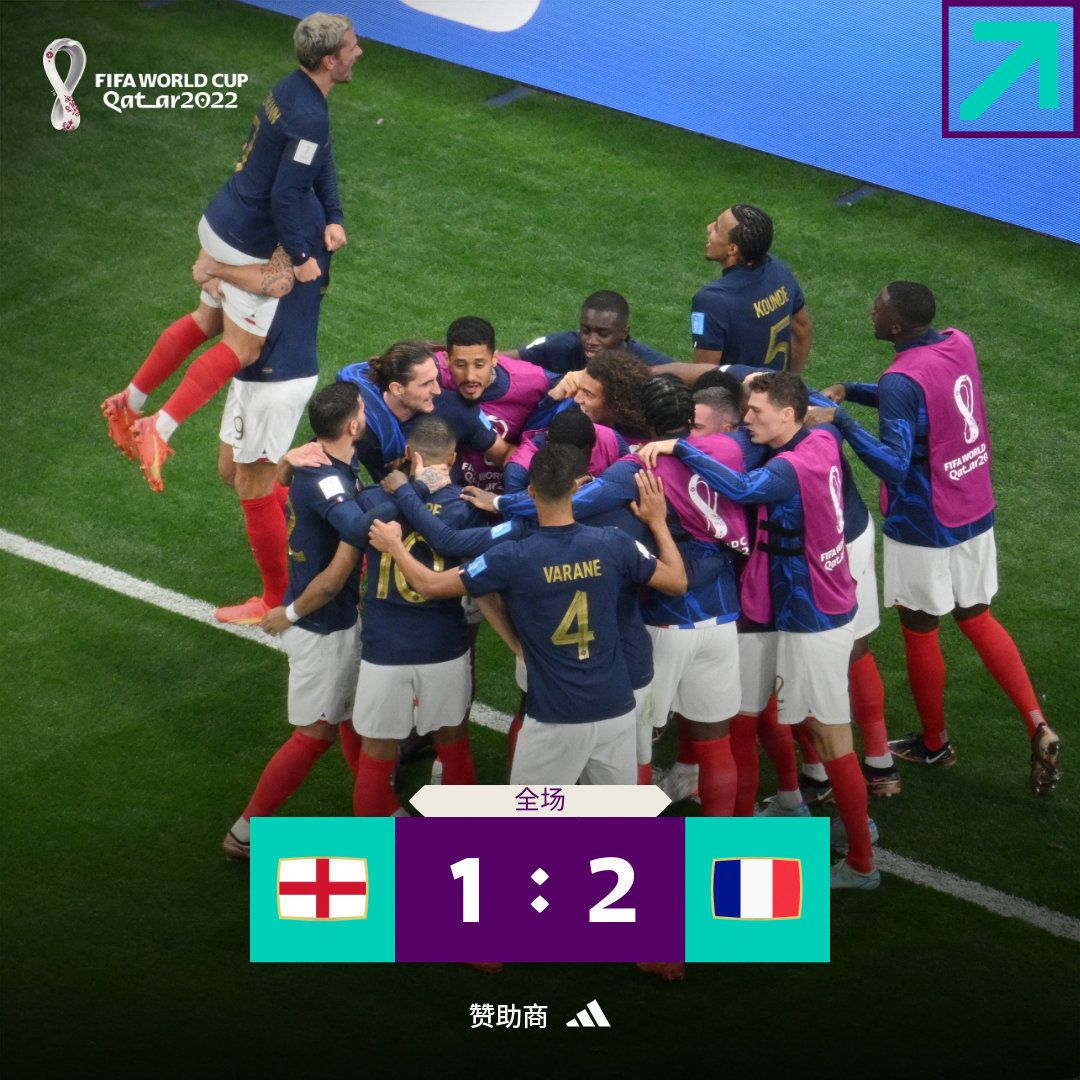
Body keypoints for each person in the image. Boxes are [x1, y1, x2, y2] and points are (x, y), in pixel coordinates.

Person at [813, 281, 1061, 794]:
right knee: (976, 616)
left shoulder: (901, 379)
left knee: (920, 628)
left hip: (924, 522)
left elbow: (894, 465)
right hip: (974, 504)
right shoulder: (957, 341)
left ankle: (935, 742)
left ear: (896, 326)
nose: (871, 311)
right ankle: (1037, 722)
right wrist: (852, 389)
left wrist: (842, 421)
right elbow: (921, 399)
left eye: (878, 307)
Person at [638, 372, 879, 889]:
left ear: (788, 415)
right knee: (746, 723)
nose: (746, 421)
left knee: (830, 736)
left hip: (816, 619)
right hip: (789, 606)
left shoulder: (793, 465)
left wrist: (682, 447)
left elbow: (743, 488)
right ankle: (752, 838)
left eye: (756, 412)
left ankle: (862, 862)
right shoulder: (820, 437)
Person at [102, 13, 360, 492]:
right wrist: (300, 256)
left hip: (221, 216)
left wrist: (335, 214)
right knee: (243, 345)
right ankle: (159, 429)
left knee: (206, 320)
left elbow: (319, 156)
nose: (358, 51)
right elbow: (285, 196)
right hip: (245, 240)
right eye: (351, 46)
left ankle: (129, 402)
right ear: (329, 60)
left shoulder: (292, 89)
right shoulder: (309, 116)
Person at [369, 444, 687, 785]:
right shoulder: (614, 543)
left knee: (532, 817)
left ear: (531, 492)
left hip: (553, 717)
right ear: (576, 487)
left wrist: (395, 547)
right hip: (616, 710)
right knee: (613, 817)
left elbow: (429, 585)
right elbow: (677, 581)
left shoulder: (510, 557)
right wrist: (658, 523)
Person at [221, 381, 366, 860]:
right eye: (363, 410)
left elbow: (284, 482)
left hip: (331, 621)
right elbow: (347, 547)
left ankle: (377, 807)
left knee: (353, 718)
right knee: (314, 735)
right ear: (352, 425)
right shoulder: (329, 482)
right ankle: (246, 831)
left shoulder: (314, 459)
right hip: (320, 628)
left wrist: (284, 462)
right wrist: (288, 614)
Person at [194, 195, 333, 625]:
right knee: (231, 472)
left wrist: (216, 270)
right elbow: (215, 258)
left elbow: (274, 281)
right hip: (252, 367)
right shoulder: (276, 208)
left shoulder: (295, 219)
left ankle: (276, 598)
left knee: (252, 485)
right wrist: (213, 271)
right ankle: (332, 537)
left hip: (278, 372)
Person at [349, 416, 488, 816]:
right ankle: (460, 838)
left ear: (410, 455)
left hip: (384, 648)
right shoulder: (467, 506)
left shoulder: (374, 499)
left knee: (376, 752)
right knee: (453, 741)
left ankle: (377, 845)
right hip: (443, 646)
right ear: (453, 459)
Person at [337, 341, 501, 481]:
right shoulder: (362, 428)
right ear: (397, 389)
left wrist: (498, 501)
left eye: (435, 379)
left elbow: (504, 453)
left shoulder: (456, 409)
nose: (437, 390)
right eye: (426, 384)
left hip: (451, 504)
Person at [436, 316, 554, 491]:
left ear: (494, 358)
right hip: (452, 492)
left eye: (479, 365)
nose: (470, 376)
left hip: (509, 490)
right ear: (447, 359)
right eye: (460, 365)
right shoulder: (431, 376)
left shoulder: (533, 381)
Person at [690, 204, 812, 373]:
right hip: (779, 387)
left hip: (741, 390)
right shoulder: (778, 269)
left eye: (716, 228)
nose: (708, 227)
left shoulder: (712, 300)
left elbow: (704, 374)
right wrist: (791, 383)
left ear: (732, 249)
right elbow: (802, 330)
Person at [507, 290, 675, 374]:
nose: (591, 341)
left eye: (602, 334)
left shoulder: (647, 361)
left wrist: (640, 375)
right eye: (585, 331)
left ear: (624, 333)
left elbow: (690, 375)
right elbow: (503, 359)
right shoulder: (562, 345)